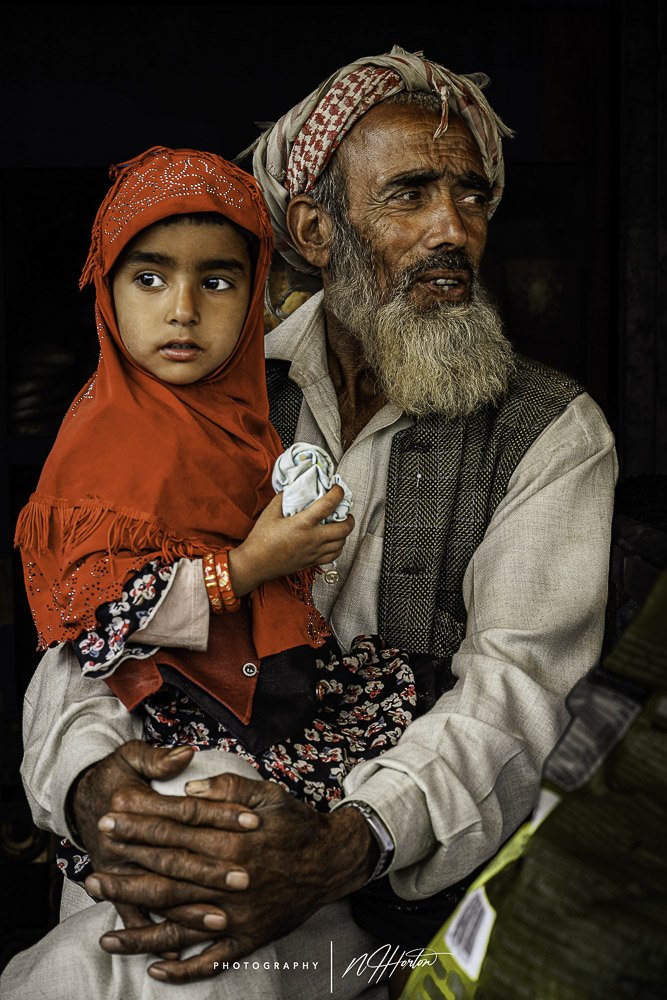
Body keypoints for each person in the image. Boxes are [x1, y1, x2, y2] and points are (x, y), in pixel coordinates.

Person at [1, 46, 618, 1000]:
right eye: (409, 194)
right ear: (313, 228)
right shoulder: (197, 379)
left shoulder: (550, 431)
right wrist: (90, 787)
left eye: (473, 198)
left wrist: (337, 845)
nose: (452, 229)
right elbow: (90, 622)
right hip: (156, 822)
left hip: (365, 892)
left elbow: (516, 694)